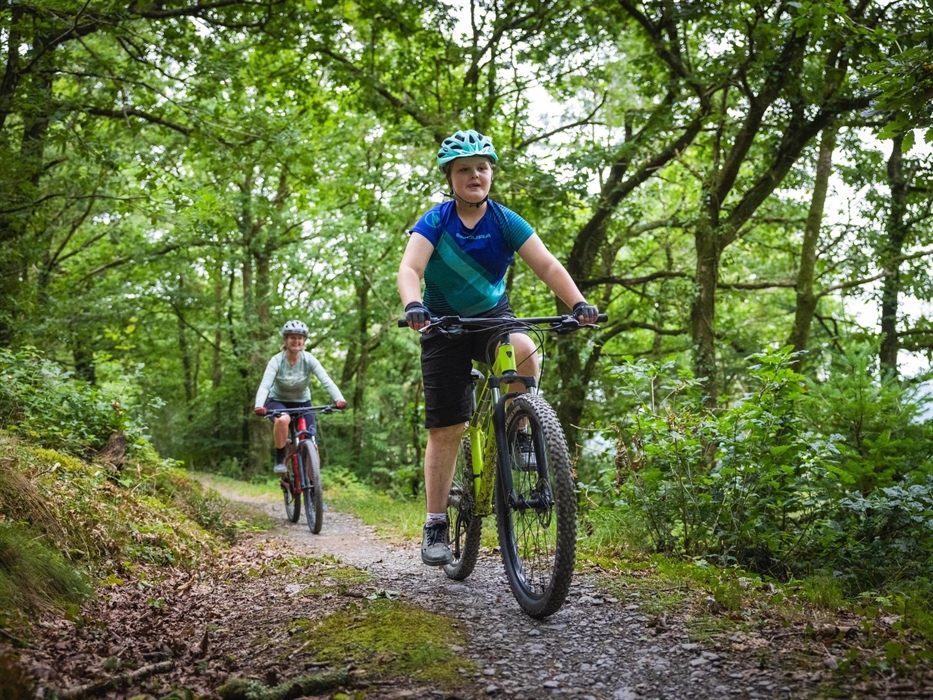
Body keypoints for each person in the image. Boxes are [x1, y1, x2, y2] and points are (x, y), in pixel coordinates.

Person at [397, 129, 599, 566]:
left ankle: (520, 434)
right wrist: (413, 305)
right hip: (442, 326)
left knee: (525, 347)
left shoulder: (506, 221)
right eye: (464, 169)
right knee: (447, 428)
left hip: (493, 320)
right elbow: (410, 267)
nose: (475, 175)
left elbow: (546, 263)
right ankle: (435, 522)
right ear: (450, 177)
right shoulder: (436, 221)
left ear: (491, 175)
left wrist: (578, 303)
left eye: (482, 168)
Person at [254, 319, 347, 474]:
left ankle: (314, 494)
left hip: (303, 402)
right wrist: (259, 405)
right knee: (283, 419)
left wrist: (339, 398)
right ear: (285, 340)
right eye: (292, 337)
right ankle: (280, 457)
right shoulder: (276, 361)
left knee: (311, 443)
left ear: (304, 341)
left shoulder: (309, 359)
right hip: (278, 401)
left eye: (299, 338)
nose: (296, 341)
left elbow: (326, 380)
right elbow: (265, 385)